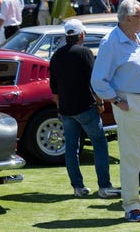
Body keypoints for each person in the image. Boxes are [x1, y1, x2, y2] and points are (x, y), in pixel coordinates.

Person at [91, 0, 140, 223]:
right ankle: (132, 207)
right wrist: (115, 100)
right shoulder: (111, 42)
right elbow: (98, 80)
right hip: (132, 104)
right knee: (132, 157)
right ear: (130, 18)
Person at [49, 19, 121, 199]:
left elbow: (54, 87)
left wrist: (60, 107)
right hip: (85, 107)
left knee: (71, 148)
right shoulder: (85, 52)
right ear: (81, 35)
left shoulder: (56, 55)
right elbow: (94, 81)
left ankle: (78, 187)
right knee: (100, 144)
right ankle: (104, 186)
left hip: (66, 109)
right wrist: (100, 102)